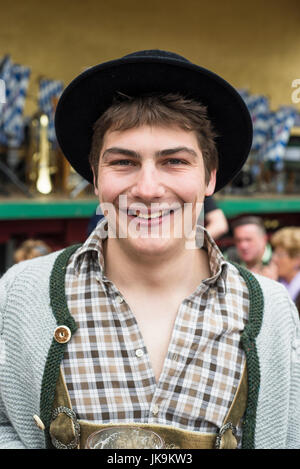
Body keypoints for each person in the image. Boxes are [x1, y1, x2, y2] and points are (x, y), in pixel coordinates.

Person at [0, 50, 299, 450]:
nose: (147, 188)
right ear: (95, 177)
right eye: (123, 162)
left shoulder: (272, 312)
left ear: (209, 177)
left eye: (174, 161)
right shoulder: (22, 294)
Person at [270, 227, 300, 315]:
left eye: (280, 255)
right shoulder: (278, 282)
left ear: (297, 259)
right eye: (274, 253)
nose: (274, 259)